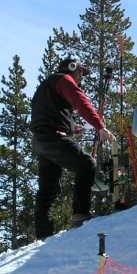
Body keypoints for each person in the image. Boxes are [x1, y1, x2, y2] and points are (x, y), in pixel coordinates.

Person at [30, 56, 115, 239]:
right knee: (86, 164)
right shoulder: (64, 80)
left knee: (48, 189)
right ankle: (80, 215)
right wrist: (99, 126)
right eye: (80, 72)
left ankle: (42, 233)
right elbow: (80, 101)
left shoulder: (46, 87)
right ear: (72, 68)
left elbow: (48, 115)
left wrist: (73, 129)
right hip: (53, 138)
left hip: (41, 141)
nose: (81, 77)